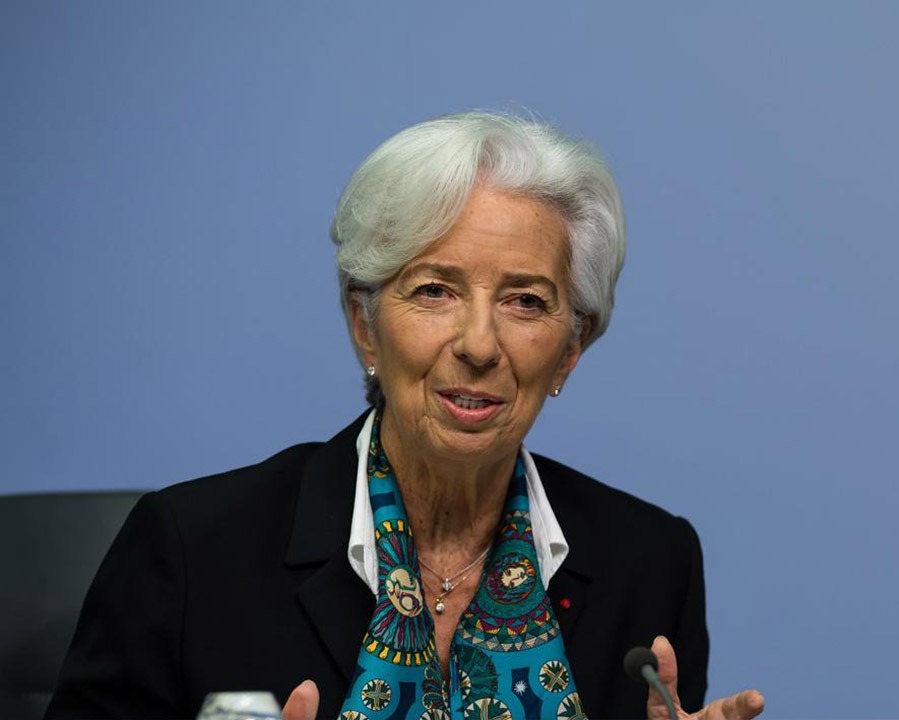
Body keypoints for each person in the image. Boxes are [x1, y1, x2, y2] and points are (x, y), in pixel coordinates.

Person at [44, 112, 765, 720]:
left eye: (525, 301)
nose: (479, 344)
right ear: (365, 326)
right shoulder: (193, 553)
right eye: (434, 291)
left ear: (569, 351)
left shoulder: (651, 562)